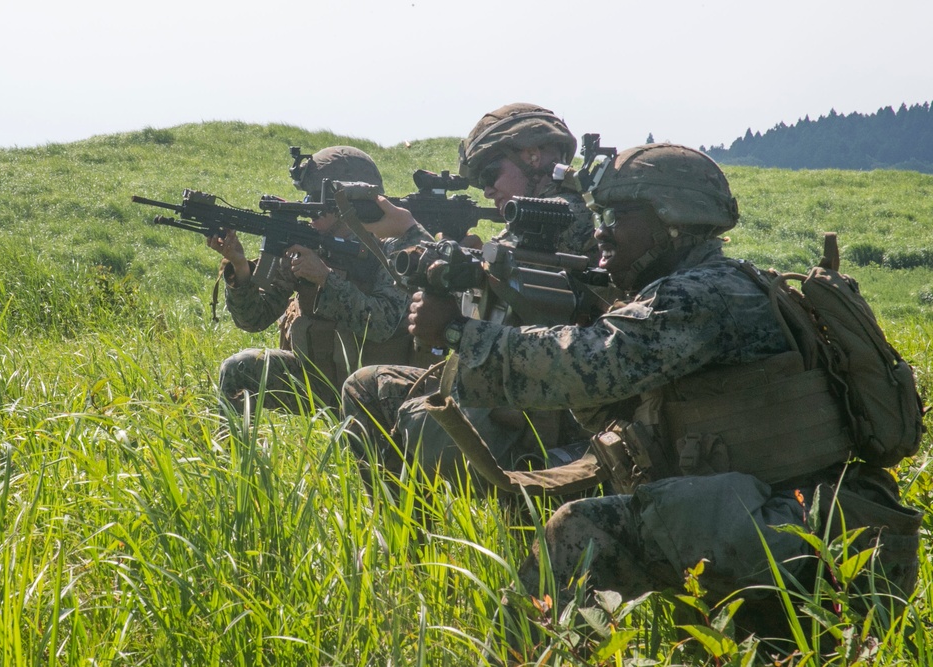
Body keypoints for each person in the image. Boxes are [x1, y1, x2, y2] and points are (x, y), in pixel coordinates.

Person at [406, 143, 921, 644]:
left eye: (620, 216)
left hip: (806, 531)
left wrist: (459, 334)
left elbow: (593, 364)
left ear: (672, 220)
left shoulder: (701, 293)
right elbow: (610, 408)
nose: (602, 233)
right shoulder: (724, 283)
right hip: (809, 524)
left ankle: (521, 655)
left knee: (586, 530)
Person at [341, 103, 615, 492]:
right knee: (367, 386)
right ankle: (404, 529)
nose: (487, 189)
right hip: (507, 384)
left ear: (533, 156)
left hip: (552, 406)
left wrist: (410, 233)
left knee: (422, 423)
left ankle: (421, 532)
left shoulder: (563, 217)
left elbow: (484, 276)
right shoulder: (535, 220)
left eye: (491, 173)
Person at [210, 146, 435, 416]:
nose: (310, 209)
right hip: (316, 379)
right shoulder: (310, 244)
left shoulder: (394, 249)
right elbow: (254, 319)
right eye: (308, 198)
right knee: (239, 369)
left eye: (321, 201)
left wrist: (325, 279)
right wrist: (240, 268)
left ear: (354, 202)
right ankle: (231, 456)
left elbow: (383, 324)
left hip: (375, 390)